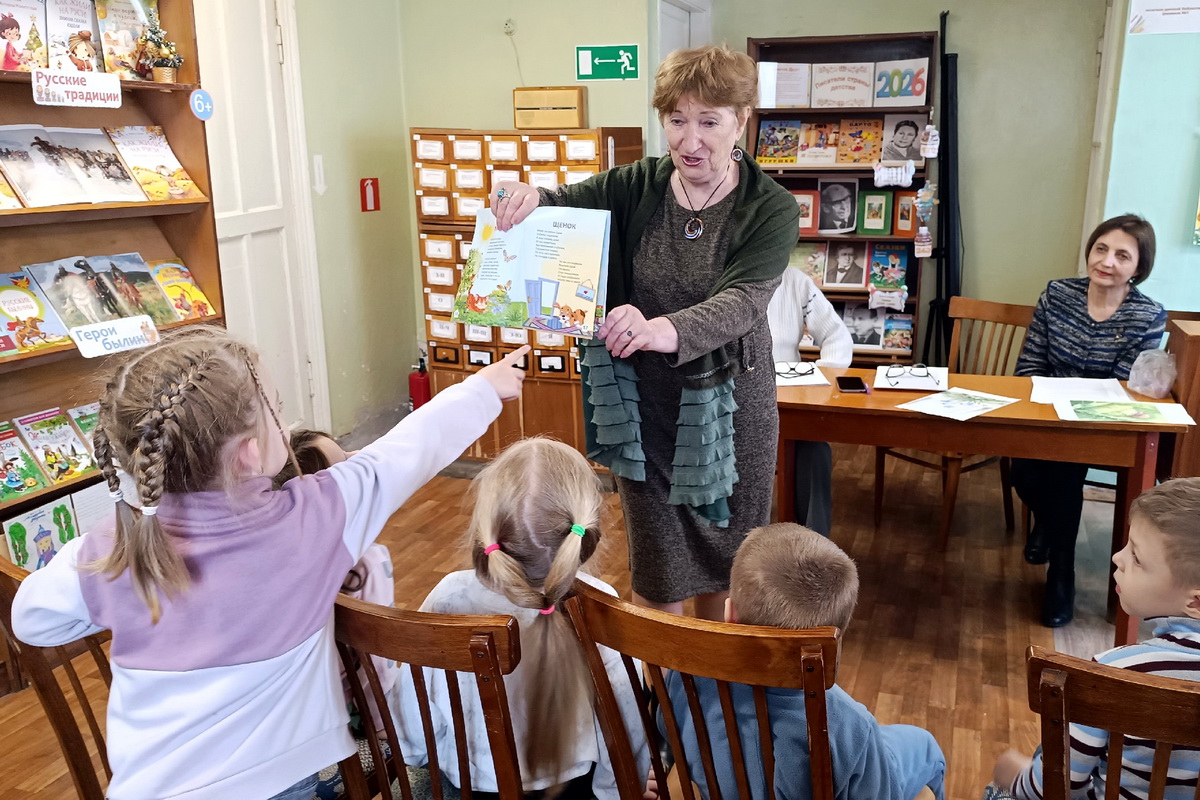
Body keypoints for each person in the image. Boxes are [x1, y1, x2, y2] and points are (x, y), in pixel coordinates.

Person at [11, 326, 528, 800]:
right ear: (249, 453)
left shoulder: (111, 548)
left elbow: (32, 622)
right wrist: (484, 388)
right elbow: (409, 449)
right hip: (291, 784)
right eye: (277, 411)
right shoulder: (316, 516)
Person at [490, 45, 799, 621]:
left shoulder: (770, 207)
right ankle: (660, 679)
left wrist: (660, 328)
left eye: (709, 122)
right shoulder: (637, 184)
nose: (690, 140)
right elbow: (563, 206)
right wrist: (528, 196)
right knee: (658, 570)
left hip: (730, 416)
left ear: (741, 120)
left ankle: (707, 678)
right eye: (676, 120)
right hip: (645, 413)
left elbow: (742, 302)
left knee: (726, 567)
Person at [393, 438, 650, 799]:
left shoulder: (448, 598)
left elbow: (414, 714)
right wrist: (618, 789)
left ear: (485, 530)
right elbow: (625, 720)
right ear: (584, 533)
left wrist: (418, 754)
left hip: (470, 783)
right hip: (573, 787)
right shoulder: (600, 604)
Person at [663, 523, 946, 800]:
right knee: (925, 747)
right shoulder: (851, 724)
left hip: (718, 789)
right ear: (834, 641)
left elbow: (670, 736)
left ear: (730, 614)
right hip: (864, 759)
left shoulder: (684, 678)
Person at [991, 478, 1200, 799]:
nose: (1117, 558)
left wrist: (1014, 777)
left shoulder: (1116, 673)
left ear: (1195, 602)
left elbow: (1057, 789)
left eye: (1137, 558)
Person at [1013, 214, 1167, 627]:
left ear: (1139, 267)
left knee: (1064, 470)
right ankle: (1049, 525)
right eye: (1101, 248)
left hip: (1100, 423)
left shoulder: (1147, 314)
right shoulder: (1057, 293)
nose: (1107, 261)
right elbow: (1030, 363)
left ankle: (1061, 571)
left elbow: (1125, 381)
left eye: (1122, 255)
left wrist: (1078, 410)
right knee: (1021, 473)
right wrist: (1045, 405)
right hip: (1044, 411)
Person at [272, 429, 396, 734]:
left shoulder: (272, 559)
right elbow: (377, 663)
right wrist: (382, 730)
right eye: (344, 463)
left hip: (287, 719)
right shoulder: (368, 562)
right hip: (340, 720)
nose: (358, 456)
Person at [767, 266, 854, 535]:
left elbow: (837, 336)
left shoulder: (793, 279)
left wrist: (820, 380)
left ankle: (815, 540)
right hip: (730, 401)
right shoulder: (714, 274)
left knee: (814, 449)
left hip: (787, 399)